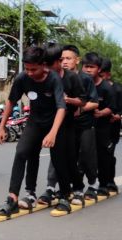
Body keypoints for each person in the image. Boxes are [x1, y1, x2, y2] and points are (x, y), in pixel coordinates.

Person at [0, 47, 66, 217]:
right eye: (27, 69)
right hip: (34, 121)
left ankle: (65, 194)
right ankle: (14, 197)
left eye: (34, 69)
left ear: (43, 65)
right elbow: (11, 102)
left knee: (58, 157)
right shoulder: (22, 78)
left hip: (53, 122)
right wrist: (2, 126)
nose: (30, 73)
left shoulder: (54, 79)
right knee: (22, 153)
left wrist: (53, 133)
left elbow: (61, 107)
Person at [36, 43, 86, 206]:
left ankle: (78, 188)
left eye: (66, 58)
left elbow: (82, 101)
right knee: (57, 159)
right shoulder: (44, 77)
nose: (47, 68)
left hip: (68, 123)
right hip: (50, 123)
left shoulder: (72, 77)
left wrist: (67, 100)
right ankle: (59, 191)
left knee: (70, 158)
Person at [61, 45, 100, 199]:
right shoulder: (58, 78)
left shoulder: (85, 79)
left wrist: (80, 109)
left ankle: (92, 183)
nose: (64, 62)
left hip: (85, 125)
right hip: (67, 124)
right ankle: (72, 186)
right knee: (69, 156)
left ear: (76, 60)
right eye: (61, 59)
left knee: (86, 154)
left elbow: (95, 102)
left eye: (68, 58)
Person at [82, 52, 116, 196]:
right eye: (86, 67)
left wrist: (101, 113)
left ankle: (104, 184)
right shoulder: (80, 83)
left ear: (99, 70)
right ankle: (84, 185)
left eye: (92, 67)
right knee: (85, 157)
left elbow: (112, 107)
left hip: (103, 128)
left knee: (103, 157)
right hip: (85, 127)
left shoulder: (107, 88)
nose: (88, 70)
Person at [100, 58, 122, 192]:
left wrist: (118, 115)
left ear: (108, 74)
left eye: (102, 75)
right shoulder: (94, 88)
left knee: (108, 155)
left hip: (112, 128)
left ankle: (109, 181)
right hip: (97, 127)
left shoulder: (118, 89)